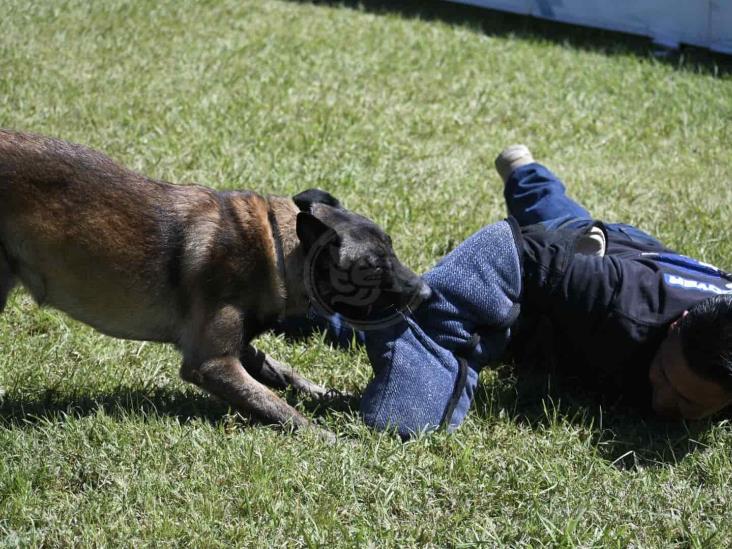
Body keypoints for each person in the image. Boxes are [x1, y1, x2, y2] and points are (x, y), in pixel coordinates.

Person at [279, 146, 732, 438]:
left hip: (626, 254)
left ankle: (526, 170)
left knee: (560, 214)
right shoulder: (612, 298)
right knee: (403, 322)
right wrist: (436, 363)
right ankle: (295, 294)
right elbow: (510, 250)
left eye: (691, 404)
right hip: (580, 257)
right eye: (666, 377)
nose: (663, 402)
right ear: (677, 325)